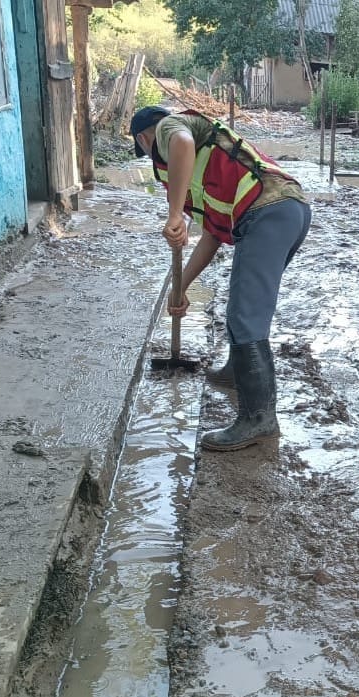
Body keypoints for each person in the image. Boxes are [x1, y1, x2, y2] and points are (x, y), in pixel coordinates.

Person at [130, 106, 311, 452]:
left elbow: (181, 143)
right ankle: (234, 371)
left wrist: (173, 215)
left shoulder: (170, 128)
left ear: (144, 138)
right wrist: (180, 288)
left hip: (268, 211)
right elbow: (212, 237)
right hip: (286, 211)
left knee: (246, 317)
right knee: (245, 304)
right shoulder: (202, 168)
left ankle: (259, 419)